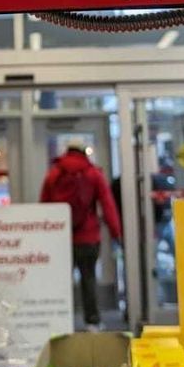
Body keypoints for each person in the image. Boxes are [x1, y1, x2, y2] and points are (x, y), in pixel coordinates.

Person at [41, 140, 122, 329]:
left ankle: (58, 321)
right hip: (88, 237)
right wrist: (116, 233)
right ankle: (92, 322)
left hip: (61, 239)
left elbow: (44, 206)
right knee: (89, 279)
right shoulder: (93, 173)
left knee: (60, 282)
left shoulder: (54, 174)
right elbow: (108, 205)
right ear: (83, 151)